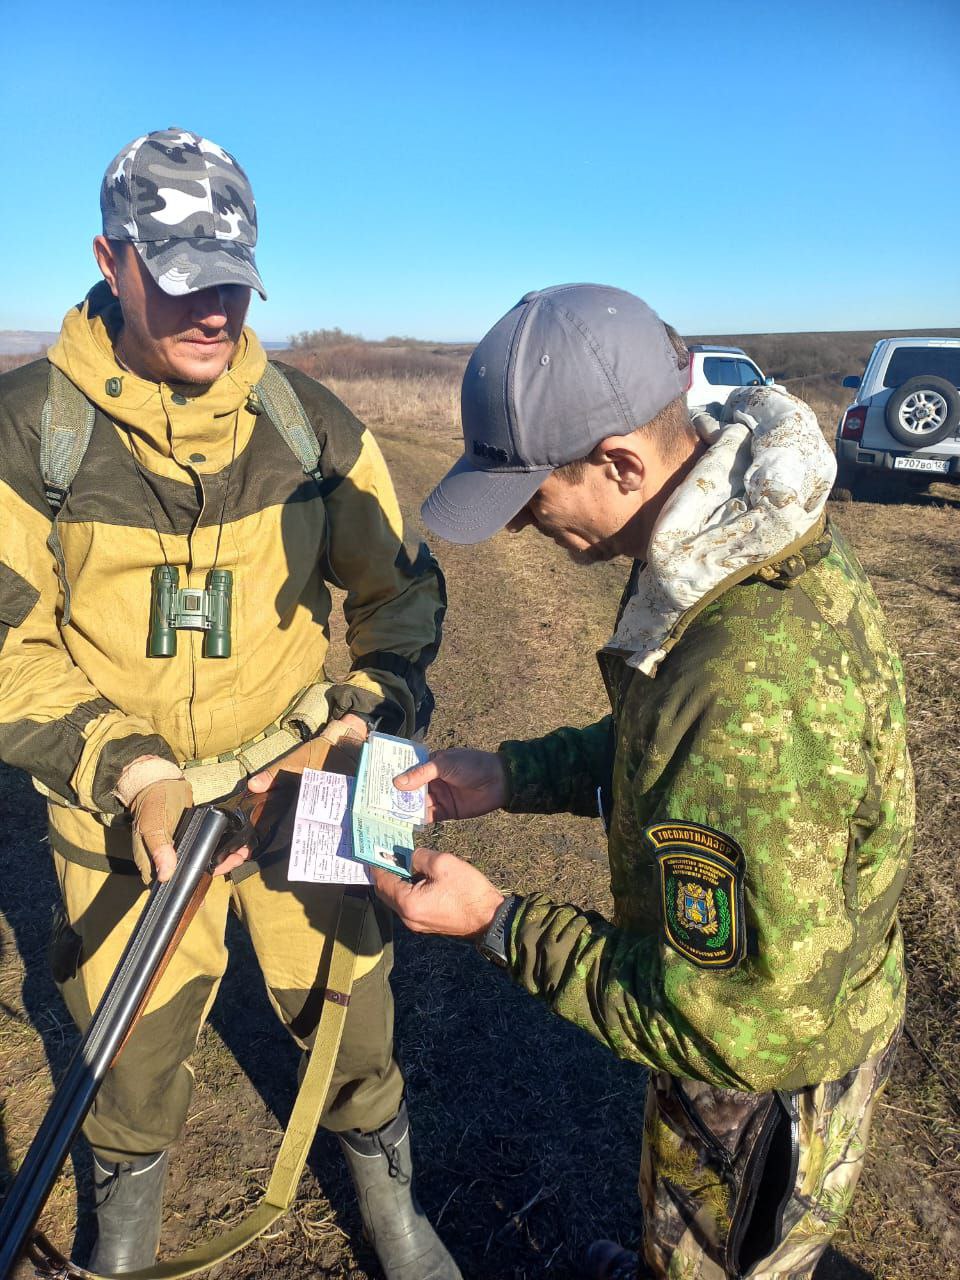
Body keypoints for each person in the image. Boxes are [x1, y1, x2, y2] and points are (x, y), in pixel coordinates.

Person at [372, 284, 913, 1279]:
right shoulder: (719, 539)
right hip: (761, 1016)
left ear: (621, 462)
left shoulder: (751, 675)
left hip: (760, 1083)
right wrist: (510, 775)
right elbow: (668, 748)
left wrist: (495, 920)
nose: (519, 528)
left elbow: (727, 1025)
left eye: (531, 496)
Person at [0, 128, 460, 1280]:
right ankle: (125, 1224)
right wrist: (132, 766)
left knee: (354, 1014)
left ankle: (393, 1202)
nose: (216, 309)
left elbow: (401, 592)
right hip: (128, 813)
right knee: (130, 1053)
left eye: (235, 281)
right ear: (111, 259)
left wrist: (364, 709)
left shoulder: (311, 422)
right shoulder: (24, 433)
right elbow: (8, 644)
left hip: (303, 780)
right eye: (182, 275)